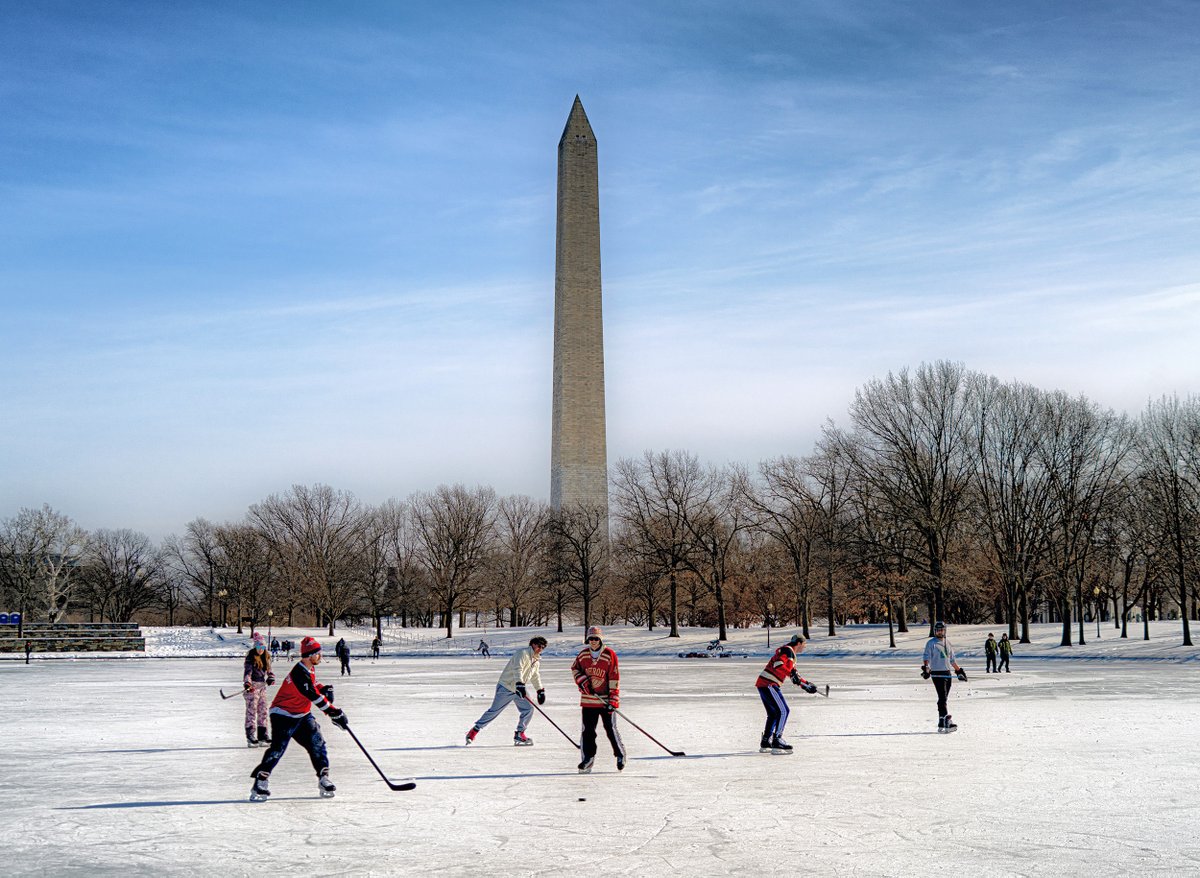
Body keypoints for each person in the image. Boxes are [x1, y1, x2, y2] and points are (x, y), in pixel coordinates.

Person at [249, 636, 347, 801]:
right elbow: (312, 695)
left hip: (302, 715)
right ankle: (260, 781)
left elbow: (313, 686)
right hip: (283, 715)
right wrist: (333, 712)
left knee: (317, 743)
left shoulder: (309, 668)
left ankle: (323, 778)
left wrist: (323, 688)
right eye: (317, 653)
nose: (320, 656)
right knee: (278, 749)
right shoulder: (299, 672)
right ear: (309, 655)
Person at [465, 636, 548, 746]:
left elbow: (535, 676)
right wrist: (519, 684)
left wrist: (540, 690)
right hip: (506, 687)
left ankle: (520, 733)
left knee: (528, 709)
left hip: (519, 688)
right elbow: (517, 669)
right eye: (539, 646)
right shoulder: (523, 653)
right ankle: (474, 730)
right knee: (494, 711)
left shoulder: (536, 660)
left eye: (543, 647)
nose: (540, 649)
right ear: (533, 644)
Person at [570, 626, 625, 773]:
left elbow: (614, 677)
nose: (593, 641)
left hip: (605, 700)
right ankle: (588, 758)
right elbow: (575, 669)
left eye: (596, 639)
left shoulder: (609, 654)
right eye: (590, 639)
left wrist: (613, 699)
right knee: (588, 731)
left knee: (610, 729)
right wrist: (583, 682)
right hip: (588, 700)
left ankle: (620, 754)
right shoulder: (583, 655)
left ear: (600, 639)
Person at [755, 633, 819, 753]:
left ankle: (766, 741)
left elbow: (794, 676)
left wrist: (807, 685)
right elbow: (778, 665)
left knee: (774, 713)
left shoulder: (790, 655)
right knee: (783, 711)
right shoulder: (787, 650)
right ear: (799, 643)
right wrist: (792, 674)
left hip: (764, 684)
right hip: (769, 684)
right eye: (804, 644)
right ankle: (777, 739)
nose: (804, 647)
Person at [921, 621, 967, 733]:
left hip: (947, 673)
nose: (940, 632)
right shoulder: (931, 643)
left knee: (944, 697)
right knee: (942, 697)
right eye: (938, 630)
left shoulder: (947, 643)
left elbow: (952, 660)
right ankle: (946, 719)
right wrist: (926, 669)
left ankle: (941, 719)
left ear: (945, 631)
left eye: (942, 630)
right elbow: (926, 657)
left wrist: (958, 671)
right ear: (935, 631)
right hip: (937, 673)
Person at [243, 633, 276, 747]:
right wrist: (247, 683)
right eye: (258, 647)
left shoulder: (266, 657)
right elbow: (247, 673)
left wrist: (271, 677)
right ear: (255, 647)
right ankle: (251, 735)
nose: (261, 650)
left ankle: (263, 735)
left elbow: (270, 671)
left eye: (262, 647)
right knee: (251, 711)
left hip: (262, 687)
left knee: (263, 711)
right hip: (252, 687)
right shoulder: (250, 657)